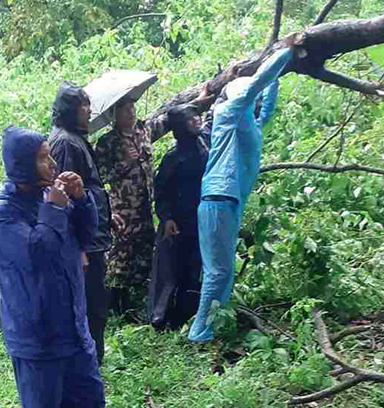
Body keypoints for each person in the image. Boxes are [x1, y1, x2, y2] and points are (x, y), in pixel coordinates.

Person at [0, 126, 105, 408]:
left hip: (74, 329)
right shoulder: (1, 214)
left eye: (50, 156)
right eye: (42, 158)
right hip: (38, 341)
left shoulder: (50, 196)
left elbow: (86, 236)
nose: (52, 164)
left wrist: (80, 199)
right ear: (23, 164)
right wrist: (55, 209)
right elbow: (38, 254)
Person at [189, 40, 296, 342]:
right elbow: (256, 85)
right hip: (218, 199)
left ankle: (213, 327)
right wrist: (287, 51)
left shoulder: (250, 121)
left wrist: (283, 71)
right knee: (218, 273)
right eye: (253, 94)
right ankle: (200, 333)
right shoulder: (229, 112)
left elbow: (267, 102)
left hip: (229, 201)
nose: (257, 99)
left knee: (224, 272)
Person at [94, 86, 211, 318]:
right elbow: (99, 176)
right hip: (124, 208)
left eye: (131, 107)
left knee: (145, 252)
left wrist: (201, 102)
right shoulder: (107, 143)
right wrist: (124, 164)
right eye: (123, 109)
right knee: (121, 256)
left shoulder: (144, 130)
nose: (129, 112)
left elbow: (175, 119)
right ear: (113, 115)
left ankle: (139, 303)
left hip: (147, 205)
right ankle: (117, 305)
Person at [48, 83, 121, 366]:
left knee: (94, 304)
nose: (90, 110)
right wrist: (77, 246)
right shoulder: (66, 142)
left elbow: (87, 190)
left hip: (91, 238)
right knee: (90, 306)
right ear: (70, 110)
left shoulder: (74, 138)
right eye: (84, 105)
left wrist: (106, 216)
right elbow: (64, 197)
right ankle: (90, 365)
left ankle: (92, 362)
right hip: (84, 245)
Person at [150, 102, 210, 330]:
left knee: (193, 268)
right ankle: (159, 318)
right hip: (178, 222)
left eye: (196, 116)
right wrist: (167, 218)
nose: (196, 121)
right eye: (189, 119)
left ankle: (183, 316)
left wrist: (207, 95)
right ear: (178, 127)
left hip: (201, 217)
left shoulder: (204, 142)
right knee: (170, 271)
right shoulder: (173, 157)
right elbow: (161, 190)